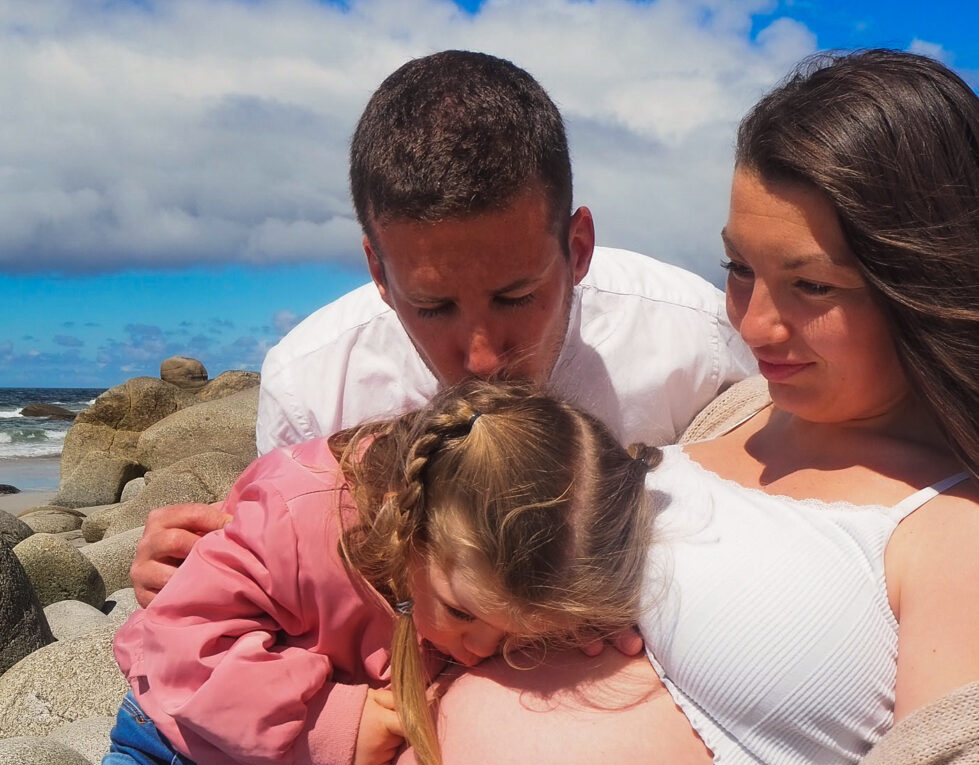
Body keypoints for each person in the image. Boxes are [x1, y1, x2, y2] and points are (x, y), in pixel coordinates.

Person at [0, 48, 976, 765]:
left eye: (807, 285)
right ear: (381, 273)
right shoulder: (747, 416)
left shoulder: (731, 389)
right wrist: (206, 569)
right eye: (738, 269)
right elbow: (307, 572)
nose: (759, 321)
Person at [0, 378, 658, 765]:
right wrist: (330, 720)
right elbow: (176, 648)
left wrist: (590, 632)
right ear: (409, 522)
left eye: (517, 637)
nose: (479, 649)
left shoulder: (509, 571)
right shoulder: (300, 512)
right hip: (162, 760)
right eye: (461, 613)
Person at [129, 49, 753, 607]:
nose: (482, 358)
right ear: (378, 270)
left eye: (517, 296)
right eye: (433, 308)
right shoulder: (313, 387)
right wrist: (197, 575)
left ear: (579, 247)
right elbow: (294, 581)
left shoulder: (695, 346)